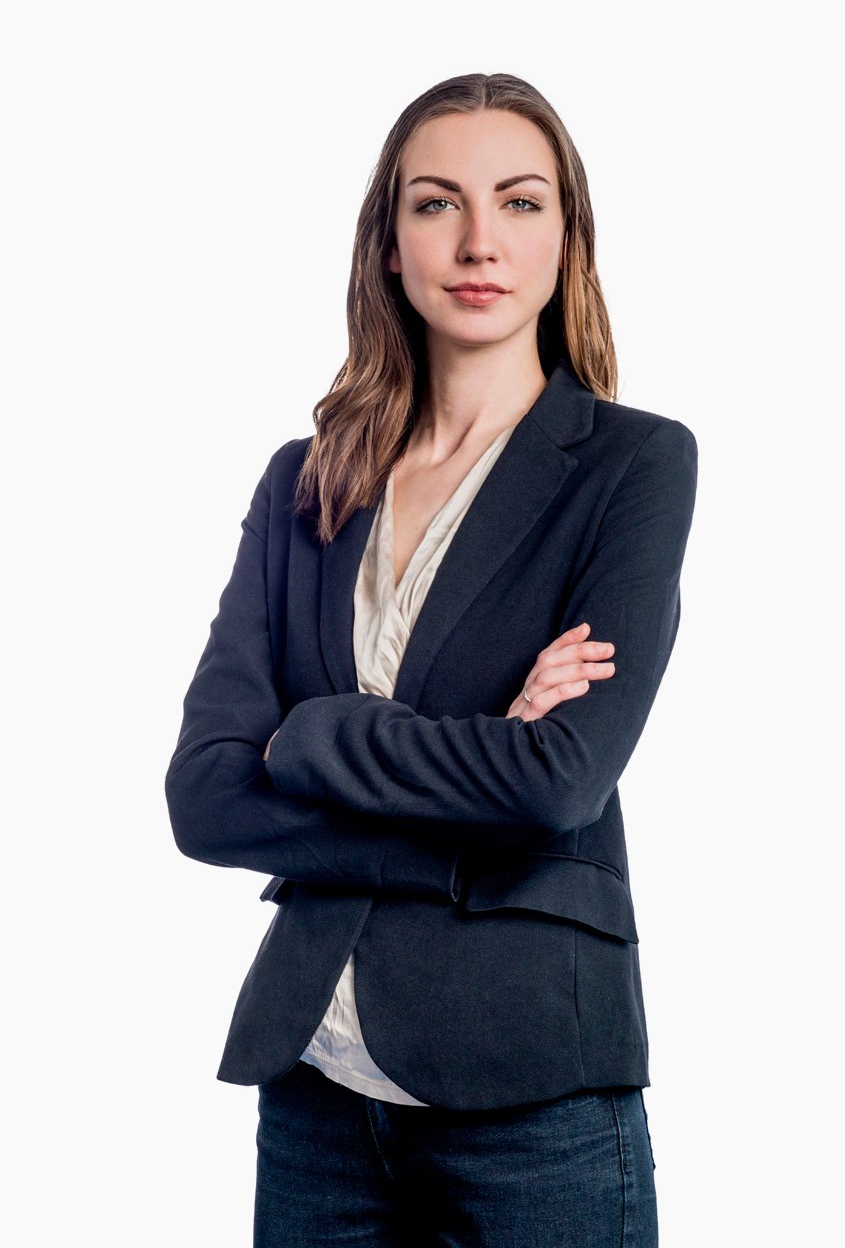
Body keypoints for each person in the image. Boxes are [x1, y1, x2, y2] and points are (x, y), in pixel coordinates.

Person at [165, 71, 698, 1248]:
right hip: (314, 1087)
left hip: (531, 1089)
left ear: (566, 237)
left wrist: (312, 734)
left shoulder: (633, 467)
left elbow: (557, 781)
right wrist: (474, 791)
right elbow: (204, 796)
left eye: (519, 201)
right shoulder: (303, 482)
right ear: (388, 240)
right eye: (436, 203)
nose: (476, 241)